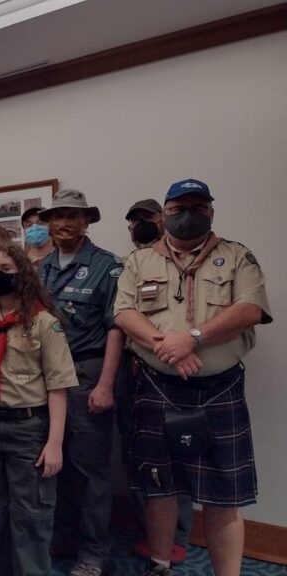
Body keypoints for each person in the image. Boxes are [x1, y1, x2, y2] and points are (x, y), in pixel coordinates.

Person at [114, 178, 272, 576]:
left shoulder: (237, 256)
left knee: (223, 495)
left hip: (219, 389)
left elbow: (250, 309)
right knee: (159, 487)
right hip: (156, 384)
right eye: (178, 208)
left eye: (197, 207)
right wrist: (166, 344)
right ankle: (161, 564)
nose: (187, 215)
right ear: (165, 213)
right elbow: (124, 314)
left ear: (211, 212)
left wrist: (193, 339)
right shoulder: (139, 261)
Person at [0, 242, 76, 576]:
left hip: (28, 428)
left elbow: (58, 387)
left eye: (6, 271)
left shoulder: (43, 323)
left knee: (31, 515)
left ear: (21, 275)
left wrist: (54, 444)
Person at [37, 189, 124, 576]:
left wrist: (106, 384)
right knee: (56, 467)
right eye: (58, 216)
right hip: (45, 379)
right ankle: (63, 537)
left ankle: (92, 553)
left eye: (73, 215)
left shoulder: (107, 266)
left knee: (91, 471)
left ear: (87, 221)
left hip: (87, 374)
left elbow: (116, 329)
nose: (65, 223)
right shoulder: (40, 268)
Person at [118, 199, 192, 563]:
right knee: (138, 455)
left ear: (163, 219)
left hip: (175, 372)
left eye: (146, 218)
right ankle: (147, 530)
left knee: (178, 456)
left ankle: (177, 538)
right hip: (133, 374)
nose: (139, 225)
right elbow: (122, 318)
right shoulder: (128, 266)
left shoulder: (184, 262)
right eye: (133, 221)